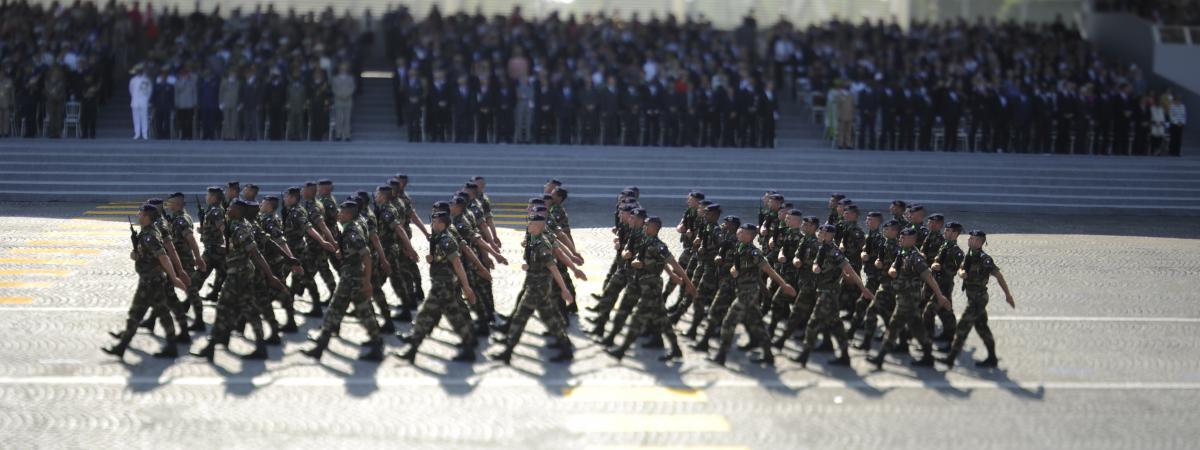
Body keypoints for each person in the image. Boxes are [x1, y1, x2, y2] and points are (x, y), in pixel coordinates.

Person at [301, 200, 385, 361]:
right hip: (351, 275)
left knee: (350, 310)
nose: (338, 214)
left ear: (348, 214)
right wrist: (342, 252)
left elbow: (366, 255)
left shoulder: (352, 231)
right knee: (344, 309)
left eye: (341, 212)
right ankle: (321, 345)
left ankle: (322, 346)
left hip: (352, 277)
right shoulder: (354, 225)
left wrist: (367, 282)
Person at [103, 204, 188, 360]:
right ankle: (171, 346)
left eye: (140, 213)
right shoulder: (147, 234)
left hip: (150, 282)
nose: (138, 215)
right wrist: (137, 254)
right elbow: (150, 255)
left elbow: (163, 256)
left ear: (147, 217)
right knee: (162, 312)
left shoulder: (149, 236)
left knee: (136, 313)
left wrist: (174, 277)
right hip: (153, 280)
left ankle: (122, 347)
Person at [490, 213, 575, 364]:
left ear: (539, 226)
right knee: (550, 319)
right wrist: (529, 266)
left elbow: (553, 267)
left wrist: (564, 289)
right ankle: (566, 347)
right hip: (538, 286)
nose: (527, 226)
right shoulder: (535, 240)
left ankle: (508, 351)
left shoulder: (542, 244)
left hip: (537, 288)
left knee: (519, 318)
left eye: (531, 224)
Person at [395, 210, 478, 364]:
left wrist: (466, 286)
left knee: (453, 318)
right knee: (426, 315)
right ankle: (413, 347)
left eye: (434, 222)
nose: (432, 225)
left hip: (444, 286)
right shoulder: (440, 238)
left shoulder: (446, 240)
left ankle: (469, 346)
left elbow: (458, 263)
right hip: (441, 284)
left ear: (441, 224)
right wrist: (433, 259)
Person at [868, 227, 952, 370]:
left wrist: (939, 295)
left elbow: (929, 277)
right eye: (900, 236)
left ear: (912, 240)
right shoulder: (902, 252)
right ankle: (928, 357)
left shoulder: (915, 257)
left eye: (903, 237)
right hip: (902, 297)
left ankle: (880, 358)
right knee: (917, 328)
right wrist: (892, 270)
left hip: (909, 299)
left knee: (894, 326)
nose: (900, 238)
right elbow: (894, 269)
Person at [940, 230, 1015, 369]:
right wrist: (961, 272)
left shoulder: (984, 258)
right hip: (972, 298)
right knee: (982, 328)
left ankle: (950, 358)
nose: (970, 241)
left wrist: (1008, 295)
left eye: (974, 239)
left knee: (962, 327)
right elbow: (962, 267)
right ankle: (992, 358)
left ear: (981, 242)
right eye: (970, 238)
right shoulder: (969, 254)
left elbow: (998, 275)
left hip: (978, 299)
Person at [332, 63, 356, 141]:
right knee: (339, 118)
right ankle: (338, 134)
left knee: (347, 118)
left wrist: (347, 95)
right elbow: (334, 89)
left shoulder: (350, 78)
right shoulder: (335, 78)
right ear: (339, 69)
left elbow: (352, 87)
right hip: (338, 100)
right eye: (342, 68)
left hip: (348, 100)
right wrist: (340, 95)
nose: (343, 70)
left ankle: (347, 135)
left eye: (344, 68)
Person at [129, 66, 152, 140]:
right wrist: (134, 97)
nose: (139, 72)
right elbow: (131, 90)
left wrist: (146, 99)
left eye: (140, 71)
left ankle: (145, 134)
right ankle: (137, 133)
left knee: (144, 117)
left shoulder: (146, 79)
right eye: (137, 71)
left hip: (143, 101)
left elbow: (149, 91)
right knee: (136, 118)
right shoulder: (133, 80)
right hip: (135, 101)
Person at [174, 66, 197, 140]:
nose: (185, 75)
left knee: (189, 121)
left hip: (190, 104)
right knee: (182, 121)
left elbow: (194, 93)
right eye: (183, 74)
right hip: (181, 104)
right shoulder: (178, 81)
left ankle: (189, 135)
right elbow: (177, 91)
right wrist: (183, 82)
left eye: (186, 74)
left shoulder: (192, 82)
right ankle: (183, 135)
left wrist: (195, 102)